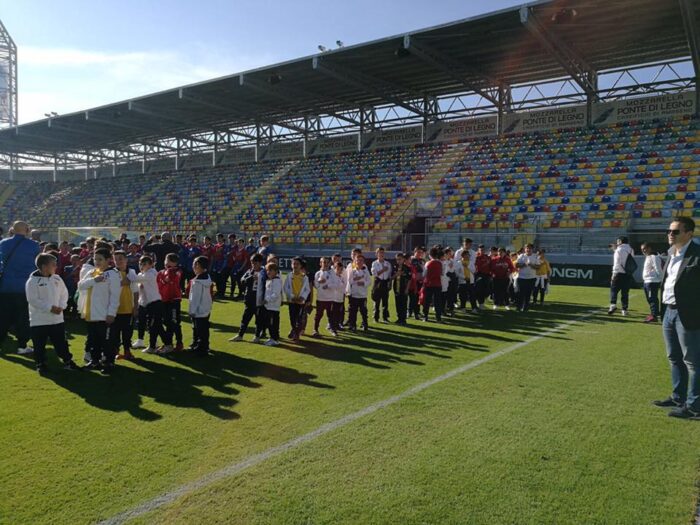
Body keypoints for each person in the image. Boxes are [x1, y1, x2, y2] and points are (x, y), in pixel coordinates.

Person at [653, 217, 700, 419]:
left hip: (688, 314)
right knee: (674, 357)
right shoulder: (671, 254)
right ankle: (678, 397)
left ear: (689, 234)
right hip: (669, 312)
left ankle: (694, 406)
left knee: (693, 362)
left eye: (675, 232)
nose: (670, 234)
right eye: (669, 231)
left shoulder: (697, 255)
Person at [25, 253, 80, 373]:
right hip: (39, 320)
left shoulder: (57, 278)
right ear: (44, 267)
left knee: (61, 343)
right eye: (53, 265)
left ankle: (67, 361)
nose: (56, 267)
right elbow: (33, 299)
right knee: (39, 344)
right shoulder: (32, 281)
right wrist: (50, 308)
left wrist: (61, 306)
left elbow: (64, 294)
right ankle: (41, 364)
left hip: (57, 319)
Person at [0, 221, 41, 355]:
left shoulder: (4, 243)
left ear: (13, 229)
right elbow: (37, 266)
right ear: (27, 230)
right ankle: (22, 346)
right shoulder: (34, 245)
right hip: (24, 286)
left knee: (3, 317)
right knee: (22, 318)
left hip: (5, 286)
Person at [78, 247, 121, 373]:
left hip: (105, 315)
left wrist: (111, 313)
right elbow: (80, 285)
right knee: (94, 339)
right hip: (91, 314)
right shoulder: (92, 272)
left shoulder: (113, 274)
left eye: (100, 259)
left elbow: (115, 296)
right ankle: (95, 361)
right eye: (95, 259)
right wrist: (93, 280)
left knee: (107, 340)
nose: (97, 262)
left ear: (108, 260)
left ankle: (109, 362)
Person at [133, 255, 167, 354]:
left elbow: (134, 278)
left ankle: (157, 345)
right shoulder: (143, 274)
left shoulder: (151, 274)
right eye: (140, 264)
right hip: (146, 303)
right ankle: (156, 344)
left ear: (151, 265)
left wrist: (127, 272)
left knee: (155, 326)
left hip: (155, 303)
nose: (141, 266)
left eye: (144, 264)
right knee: (152, 325)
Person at [110, 250, 139, 361]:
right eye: (115, 259)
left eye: (120, 259)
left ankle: (127, 351)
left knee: (127, 333)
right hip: (114, 310)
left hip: (128, 309)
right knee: (115, 333)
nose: (118, 261)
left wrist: (135, 307)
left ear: (126, 260)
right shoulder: (111, 273)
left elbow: (136, 292)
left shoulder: (131, 272)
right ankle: (116, 352)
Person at [230, 253, 264, 342]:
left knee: (259, 319)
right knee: (245, 318)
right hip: (249, 299)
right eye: (252, 263)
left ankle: (257, 336)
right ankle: (240, 335)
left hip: (259, 300)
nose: (253, 265)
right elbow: (242, 281)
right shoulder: (249, 271)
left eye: (255, 263)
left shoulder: (264, 273)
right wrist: (250, 278)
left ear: (260, 263)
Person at [158, 253, 184, 352]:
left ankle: (179, 343)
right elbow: (159, 283)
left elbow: (172, 278)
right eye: (166, 260)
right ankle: (168, 344)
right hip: (164, 299)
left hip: (174, 300)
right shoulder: (161, 272)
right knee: (167, 322)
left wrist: (165, 280)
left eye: (169, 261)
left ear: (175, 263)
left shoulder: (177, 271)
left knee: (175, 322)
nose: (166, 262)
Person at [188, 256, 213, 356]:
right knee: (201, 328)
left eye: (194, 264)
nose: (193, 267)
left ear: (198, 266)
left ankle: (202, 347)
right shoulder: (206, 277)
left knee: (200, 328)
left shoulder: (198, 281)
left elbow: (196, 298)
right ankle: (199, 344)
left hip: (199, 309)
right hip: (205, 307)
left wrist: (192, 310)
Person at [283, 256, 311, 342]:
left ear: (300, 266)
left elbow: (307, 289)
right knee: (292, 318)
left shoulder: (304, 277)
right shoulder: (289, 276)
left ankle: (296, 334)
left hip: (300, 302)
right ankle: (294, 330)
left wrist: (302, 297)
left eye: (297, 264)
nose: (295, 265)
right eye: (293, 263)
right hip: (292, 301)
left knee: (299, 318)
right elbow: (285, 287)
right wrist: (292, 296)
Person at [609, 236, 635, 316]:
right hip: (628, 274)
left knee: (614, 290)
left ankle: (613, 305)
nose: (617, 243)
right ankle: (624, 310)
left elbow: (617, 263)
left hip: (618, 273)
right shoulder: (631, 249)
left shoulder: (618, 250)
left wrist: (613, 274)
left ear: (620, 241)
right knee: (625, 292)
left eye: (617, 241)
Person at [346, 253, 371, 332]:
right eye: (357, 260)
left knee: (364, 311)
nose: (359, 262)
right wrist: (357, 279)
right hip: (354, 295)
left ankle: (365, 325)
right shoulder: (352, 272)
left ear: (363, 262)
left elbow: (369, 281)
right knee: (353, 312)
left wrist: (363, 283)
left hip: (362, 295)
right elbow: (349, 281)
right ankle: (353, 325)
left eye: (361, 261)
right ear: (355, 261)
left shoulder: (365, 271)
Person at [313, 257, 337, 337]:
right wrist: (319, 282)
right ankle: (315, 330)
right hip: (320, 298)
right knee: (318, 315)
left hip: (330, 298)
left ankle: (333, 329)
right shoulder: (317, 273)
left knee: (331, 315)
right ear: (320, 263)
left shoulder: (332, 273)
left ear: (329, 263)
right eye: (323, 262)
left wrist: (327, 285)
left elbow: (335, 284)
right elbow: (316, 285)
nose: (325, 264)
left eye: (327, 262)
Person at [641, 242, 663, 323]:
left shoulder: (654, 257)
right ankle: (654, 313)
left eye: (645, 249)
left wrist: (661, 279)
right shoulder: (649, 257)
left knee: (652, 298)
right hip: (647, 281)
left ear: (650, 248)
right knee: (650, 299)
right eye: (642, 249)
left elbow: (658, 269)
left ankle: (654, 316)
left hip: (652, 281)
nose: (643, 251)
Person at [515, 244, 540, 312]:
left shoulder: (535, 257)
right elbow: (516, 265)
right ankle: (519, 307)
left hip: (531, 278)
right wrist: (525, 264)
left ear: (532, 249)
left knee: (528, 294)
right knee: (520, 293)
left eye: (530, 248)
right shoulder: (521, 256)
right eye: (527, 248)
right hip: (522, 278)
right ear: (525, 249)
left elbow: (538, 267)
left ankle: (525, 307)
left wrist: (531, 265)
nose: (528, 250)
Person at [262, 262, 282, 346]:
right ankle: (272, 338)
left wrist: (267, 300)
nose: (268, 272)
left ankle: (275, 339)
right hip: (268, 306)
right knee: (268, 323)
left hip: (274, 307)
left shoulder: (277, 281)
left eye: (270, 270)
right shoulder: (269, 280)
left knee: (273, 324)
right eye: (267, 270)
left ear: (276, 271)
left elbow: (276, 294)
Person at [422, 246, 444, 322]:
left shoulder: (428, 263)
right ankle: (438, 317)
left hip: (429, 284)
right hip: (438, 284)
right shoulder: (440, 263)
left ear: (430, 255)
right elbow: (442, 273)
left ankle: (425, 316)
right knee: (438, 301)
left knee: (427, 301)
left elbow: (424, 274)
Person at [371, 247, 392, 323]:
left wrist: (390, 284)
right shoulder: (374, 263)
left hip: (385, 283)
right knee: (376, 301)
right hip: (378, 283)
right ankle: (376, 317)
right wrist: (383, 270)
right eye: (379, 252)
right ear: (377, 254)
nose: (381, 254)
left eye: (382, 252)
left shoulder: (388, 263)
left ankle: (385, 317)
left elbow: (389, 275)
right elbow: (375, 274)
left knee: (385, 301)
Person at [392, 252, 411, 325]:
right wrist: (396, 275)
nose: (398, 261)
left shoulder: (407, 268)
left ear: (403, 259)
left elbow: (409, 279)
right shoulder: (395, 267)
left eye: (400, 259)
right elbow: (391, 278)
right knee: (398, 304)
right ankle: (399, 318)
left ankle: (403, 319)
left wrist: (407, 289)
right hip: (396, 288)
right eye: (397, 259)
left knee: (403, 304)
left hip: (403, 288)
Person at [408, 246, 425, 320]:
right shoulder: (412, 260)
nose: (419, 254)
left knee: (418, 297)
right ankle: (410, 311)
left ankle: (417, 312)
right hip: (412, 282)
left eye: (420, 252)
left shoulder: (422, 260)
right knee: (412, 297)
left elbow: (424, 270)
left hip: (420, 282)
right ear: (414, 252)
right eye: (418, 252)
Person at [474, 244, 492, 310]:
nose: (482, 251)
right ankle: (480, 304)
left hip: (487, 275)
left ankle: (481, 303)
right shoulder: (476, 257)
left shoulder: (488, 257)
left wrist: (490, 274)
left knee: (486, 290)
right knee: (479, 290)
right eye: (481, 250)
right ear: (478, 250)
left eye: (483, 249)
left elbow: (490, 266)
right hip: (479, 275)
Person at [331, 261, 347, 333]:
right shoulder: (332, 277)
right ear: (335, 268)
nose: (339, 271)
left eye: (341, 269)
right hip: (334, 298)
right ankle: (332, 328)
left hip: (340, 298)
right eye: (338, 269)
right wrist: (340, 287)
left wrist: (344, 291)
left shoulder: (341, 277)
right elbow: (334, 287)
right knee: (333, 314)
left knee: (338, 313)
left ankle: (337, 325)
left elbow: (344, 287)